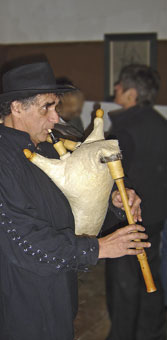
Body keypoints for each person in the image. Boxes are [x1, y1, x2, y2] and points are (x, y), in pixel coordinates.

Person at [0, 61, 150, 340]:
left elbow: (76, 207)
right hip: (15, 308)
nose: (55, 118)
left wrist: (114, 202)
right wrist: (98, 248)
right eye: (46, 107)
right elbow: (23, 244)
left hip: (54, 294)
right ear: (17, 107)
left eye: (55, 107)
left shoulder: (48, 151)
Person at [104, 64, 167, 340]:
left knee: (124, 284)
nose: (115, 88)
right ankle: (151, 332)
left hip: (128, 217)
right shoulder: (160, 122)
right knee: (149, 276)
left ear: (131, 93)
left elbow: (110, 175)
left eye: (119, 85)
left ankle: (123, 335)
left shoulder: (125, 128)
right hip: (155, 215)